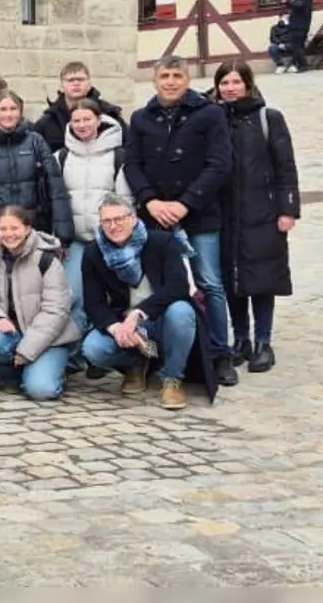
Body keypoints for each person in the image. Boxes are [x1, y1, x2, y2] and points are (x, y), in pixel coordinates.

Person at [125, 55, 238, 386]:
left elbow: (220, 164)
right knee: (155, 285)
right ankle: (155, 351)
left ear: (187, 80)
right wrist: (151, 200)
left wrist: (186, 203)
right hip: (155, 216)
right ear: (155, 80)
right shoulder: (142, 118)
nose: (170, 82)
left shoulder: (209, 114)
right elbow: (132, 165)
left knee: (209, 283)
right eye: (165, 76)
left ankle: (219, 354)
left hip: (199, 214)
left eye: (177, 75)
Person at [213, 61, 299, 373]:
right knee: (233, 279)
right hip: (226, 214)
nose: (230, 88)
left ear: (248, 84)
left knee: (263, 279)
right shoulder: (214, 119)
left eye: (236, 82)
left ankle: (263, 341)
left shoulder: (268, 118)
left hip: (262, 212)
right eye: (224, 83)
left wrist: (288, 210)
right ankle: (241, 340)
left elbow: (285, 166)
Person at [80, 194, 200, 410]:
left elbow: (178, 286)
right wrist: (117, 329)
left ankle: (172, 378)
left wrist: (138, 314)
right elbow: (93, 303)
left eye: (119, 219)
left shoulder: (161, 242)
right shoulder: (93, 253)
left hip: (161, 319)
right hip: (124, 323)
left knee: (182, 311)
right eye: (107, 221)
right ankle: (136, 363)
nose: (113, 226)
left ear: (133, 218)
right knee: (93, 348)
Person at [0, 206, 81, 401]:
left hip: (50, 339)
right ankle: (16, 375)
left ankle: (52, 372)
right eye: (3, 229)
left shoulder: (47, 261)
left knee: (41, 390)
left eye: (14, 228)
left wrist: (26, 351)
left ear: (28, 229)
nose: (8, 234)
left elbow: (55, 312)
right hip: (14, 333)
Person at [58, 98, 131, 351]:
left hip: (109, 239)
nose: (82, 125)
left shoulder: (118, 155)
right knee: (74, 296)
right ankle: (74, 353)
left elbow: (125, 200)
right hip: (77, 240)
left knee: (113, 297)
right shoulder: (62, 156)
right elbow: (58, 200)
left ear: (99, 120)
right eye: (76, 120)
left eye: (87, 119)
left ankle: (109, 350)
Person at [0, 90, 73, 252]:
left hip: (34, 230)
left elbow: (56, 188)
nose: (8, 114)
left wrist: (64, 235)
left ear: (21, 112)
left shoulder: (36, 141)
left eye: (13, 109)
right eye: (3, 109)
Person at [33, 61, 127, 154]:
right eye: (70, 80)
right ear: (61, 85)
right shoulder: (49, 120)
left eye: (81, 79)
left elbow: (128, 145)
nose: (76, 83)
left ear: (90, 84)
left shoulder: (109, 114)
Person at [285, 0, 314, 72]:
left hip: (298, 26)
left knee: (296, 47)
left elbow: (299, 5)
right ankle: (301, 65)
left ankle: (303, 65)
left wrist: (288, 1)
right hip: (301, 26)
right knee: (299, 47)